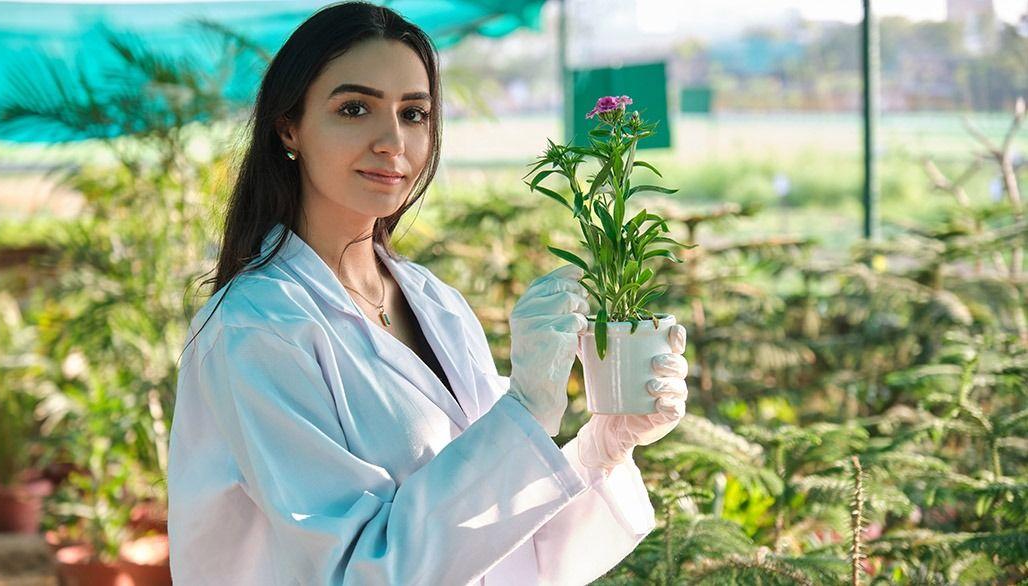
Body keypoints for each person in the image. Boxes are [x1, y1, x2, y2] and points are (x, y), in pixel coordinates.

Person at [166, 2, 690, 584]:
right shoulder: (256, 329)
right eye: (355, 108)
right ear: (289, 127)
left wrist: (603, 449)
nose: (393, 141)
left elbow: (507, 550)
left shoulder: (433, 300)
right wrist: (525, 412)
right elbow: (360, 571)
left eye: (413, 113)